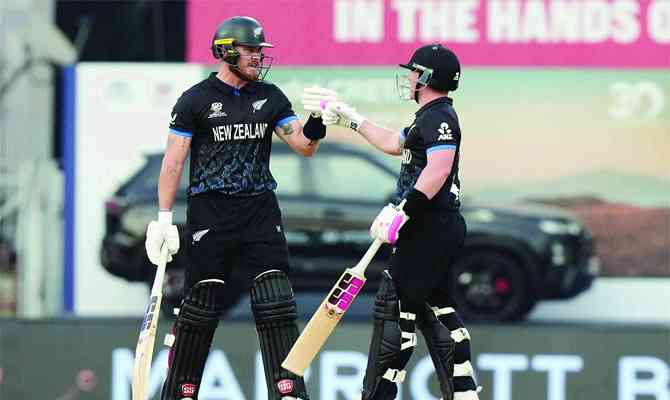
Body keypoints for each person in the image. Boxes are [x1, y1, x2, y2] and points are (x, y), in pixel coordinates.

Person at [144, 16, 336, 400]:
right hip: (210, 213)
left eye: (259, 51)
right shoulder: (195, 100)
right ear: (226, 51)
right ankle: (181, 391)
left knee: (275, 299)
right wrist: (164, 219)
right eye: (250, 50)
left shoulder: (271, 96)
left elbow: (304, 146)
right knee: (200, 306)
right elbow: (173, 162)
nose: (257, 58)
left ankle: (288, 391)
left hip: (259, 211)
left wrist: (317, 121)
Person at [315, 44, 480, 400]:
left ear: (427, 77)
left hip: (428, 228)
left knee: (395, 310)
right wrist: (351, 119)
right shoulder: (429, 117)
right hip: (434, 227)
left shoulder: (439, 118)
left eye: (414, 72)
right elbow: (394, 142)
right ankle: (463, 392)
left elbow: (439, 169)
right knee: (436, 310)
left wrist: (404, 210)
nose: (409, 78)